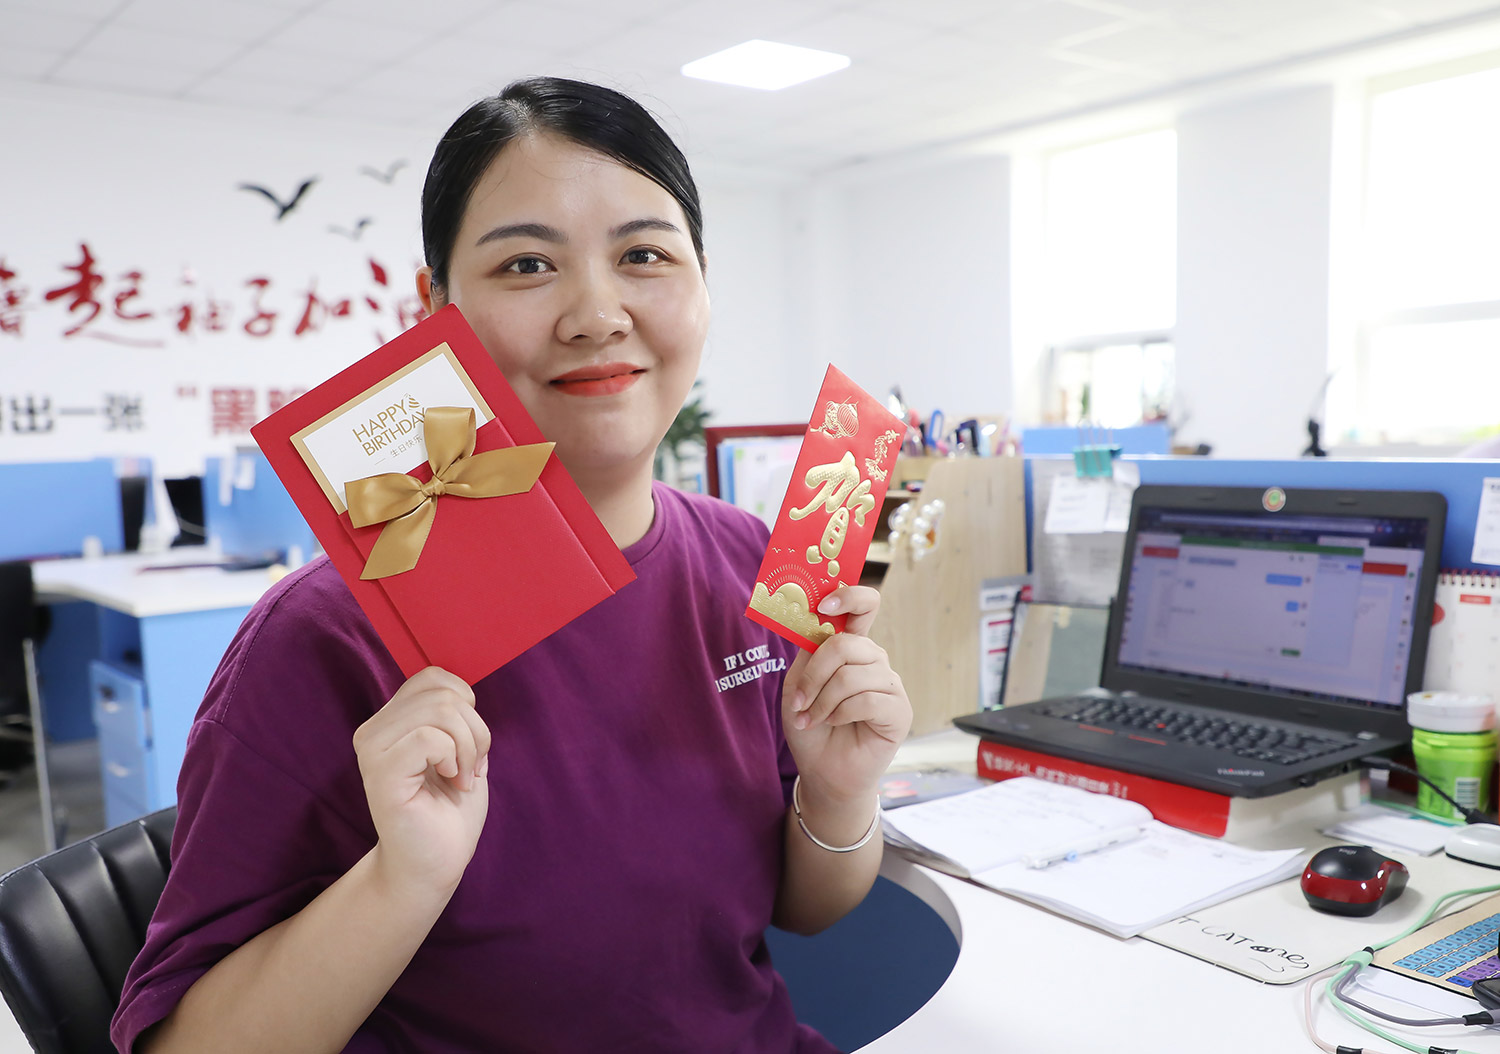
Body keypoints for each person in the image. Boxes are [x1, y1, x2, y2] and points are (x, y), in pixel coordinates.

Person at [111, 77, 912, 1054]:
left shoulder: (751, 564)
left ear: (703, 283)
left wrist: (837, 788)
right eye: (527, 264)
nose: (597, 313)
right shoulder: (324, 636)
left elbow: (805, 910)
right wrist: (402, 878)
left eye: (644, 255)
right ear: (435, 309)